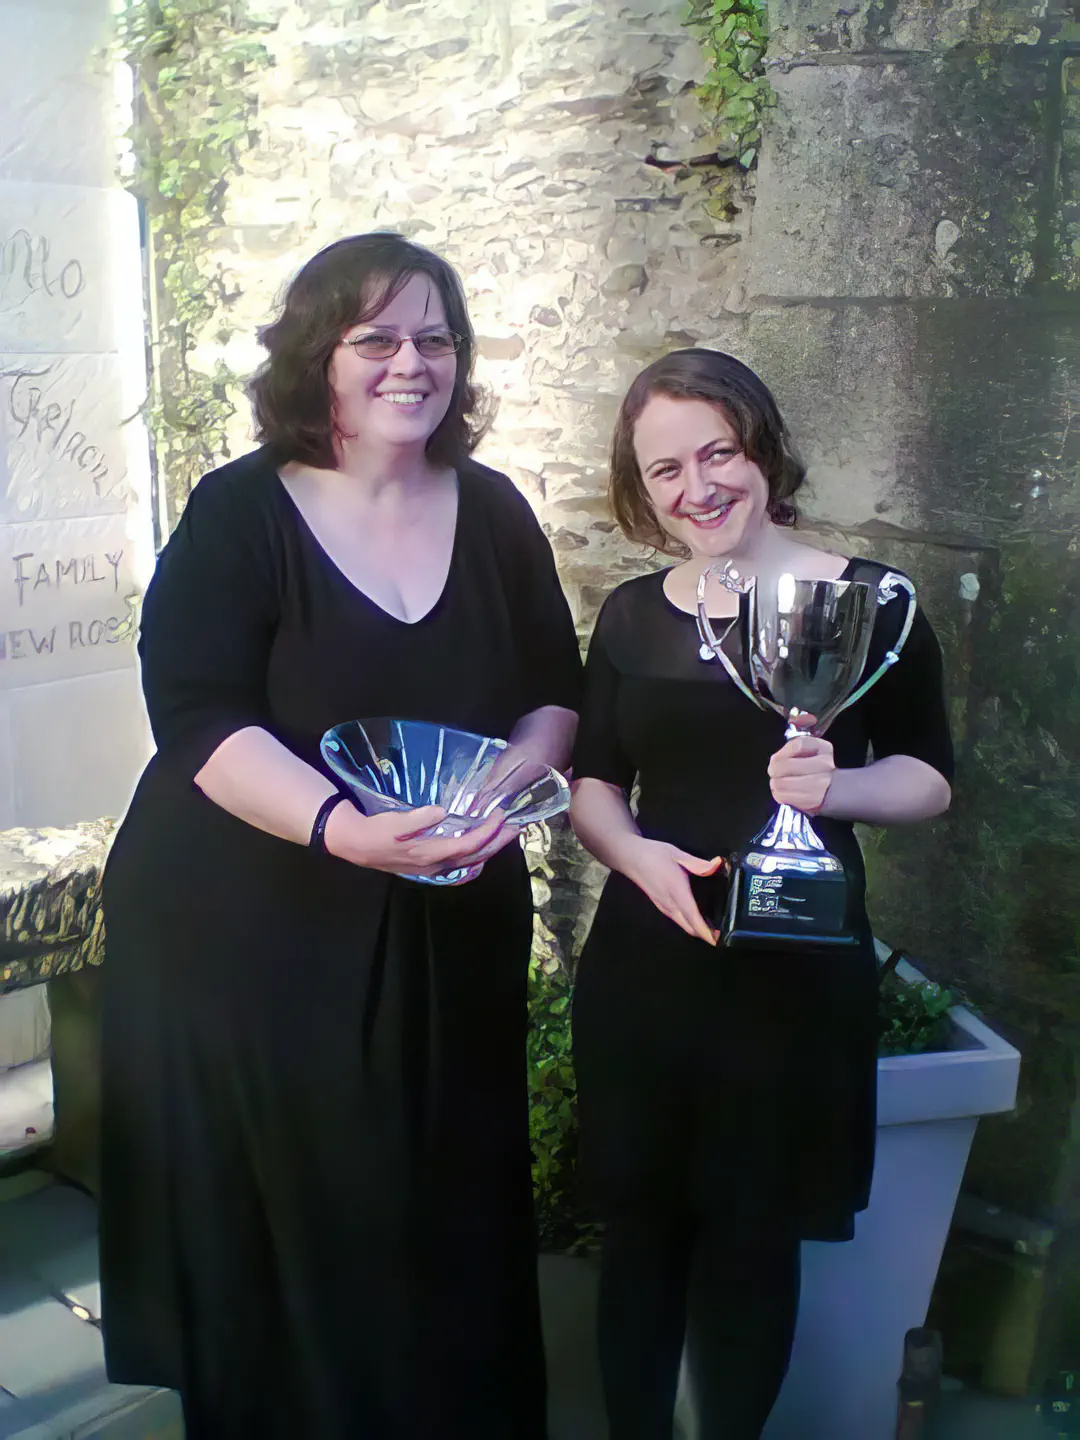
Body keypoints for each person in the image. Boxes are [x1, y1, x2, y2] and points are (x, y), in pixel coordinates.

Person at [99, 233, 581, 1439]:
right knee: (300, 1229)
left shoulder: (495, 510)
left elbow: (555, 693)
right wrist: (341, 829)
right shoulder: (241, 511)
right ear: (319, 355)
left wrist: (503, 790)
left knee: (443, 1210)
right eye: (377, 339)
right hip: (251, 930)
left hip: (447, 919)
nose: (411, 363)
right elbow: (198, 717)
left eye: (435, 338)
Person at [568, 349, 953, 1440]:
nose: (698, 488)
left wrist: (842, 788)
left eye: (718, 453)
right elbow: (593, 782)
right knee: (640, 1241)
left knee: (752, 1245)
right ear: (642, 490)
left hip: (793, 978)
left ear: (763, 449)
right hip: (647, 972)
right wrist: (636, 858)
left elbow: (930, 777)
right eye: (666, 470)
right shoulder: (633, 616)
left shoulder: (871, 601)